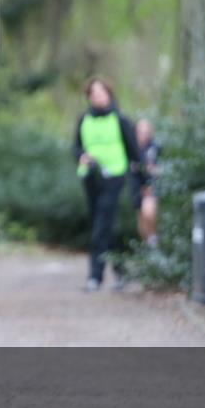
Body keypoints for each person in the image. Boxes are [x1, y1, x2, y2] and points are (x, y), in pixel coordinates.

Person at [73, 77, 143, 292]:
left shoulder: (120, 120)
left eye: (102, 93)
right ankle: (120, 272)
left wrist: (143, 181)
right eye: (93, 93)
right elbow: (75, 147)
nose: (98, 97)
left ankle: (95, 277)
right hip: (90, 178)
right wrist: (82, 156)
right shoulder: (83, 119)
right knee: (102, 226)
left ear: (109, 95)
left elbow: (134, 152)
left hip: (114, 178)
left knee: (102, 226)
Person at [131, 118, 160, 247]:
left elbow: (158, 167)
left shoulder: (154, 147)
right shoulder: (131, 148)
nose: (143, 134)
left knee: (149, 213)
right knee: (141, 219)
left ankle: (153, 241)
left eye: (146, 131)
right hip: (136, 187)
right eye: (140, 131)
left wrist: (153, 172)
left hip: (150, 186)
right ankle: (146, 245)